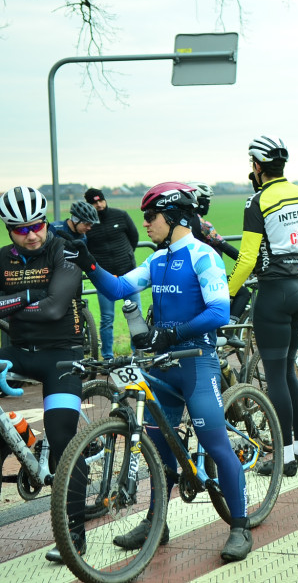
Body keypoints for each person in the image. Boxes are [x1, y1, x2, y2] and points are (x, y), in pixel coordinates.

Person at [69, 182, 251, 560]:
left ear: (172, 218)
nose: (146, 224)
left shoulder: (204, 256)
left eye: (150, 217)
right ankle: (157, 521)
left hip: (196, 364)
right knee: (157, 445)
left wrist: (173, 333)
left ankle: (240, 526)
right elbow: (119, 288)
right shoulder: (158, 259)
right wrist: (86, 259)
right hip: (164, 367)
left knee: (217, 444)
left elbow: (219, 312)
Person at [0, 186, 88, 563]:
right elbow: (42, 301)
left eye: (36, 224)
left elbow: (54, 309)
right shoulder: (3, 259)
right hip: (18, 353)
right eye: (21, 229)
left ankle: (73, 531)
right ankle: (20, 437)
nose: (32, 233)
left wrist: (11, 303)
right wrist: (32, 295)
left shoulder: (64, 250)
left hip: (62, 356)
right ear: (8, 229)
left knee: (63, 436)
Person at [227, 136, 298, 477]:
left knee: (276, 376)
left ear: (258, 166)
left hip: (275, 291)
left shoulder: (257, 201)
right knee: (290, 371)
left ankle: (285, 457)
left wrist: (227, 293)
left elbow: (247, 257)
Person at [83, 187, 141, 359]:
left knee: (135, 316)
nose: (99, 204)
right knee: (107, 319)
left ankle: (137, 354)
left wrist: (127, 255)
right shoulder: (88, 224)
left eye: (101, 200)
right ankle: (107, 357)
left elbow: (134, 237)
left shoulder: (121, 215)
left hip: (128, 275)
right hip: (105, 279)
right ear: (89, 204)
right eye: (94, 202)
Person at [185, 181, 240, 261]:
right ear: (201, 202)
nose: (209, 204)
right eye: (208, 201)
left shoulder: (177, 219)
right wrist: (248, 263)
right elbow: (225, 246)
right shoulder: (203, 225)